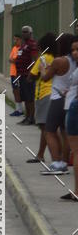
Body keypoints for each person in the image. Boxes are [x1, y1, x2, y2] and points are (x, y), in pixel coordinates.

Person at [42, 33, 76, 173]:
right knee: (64, 132)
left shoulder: (58, 61)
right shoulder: (73, 61)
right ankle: (64, 161)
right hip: (70, 99)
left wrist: (42, 68)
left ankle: (56, 162)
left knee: (49, 131)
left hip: (57, 98)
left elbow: (45, 78)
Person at [26, 33, 55, 165]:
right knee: (51, 128)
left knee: (46, 129)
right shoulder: (56, 58)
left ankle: (54, 158)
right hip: (55, 94)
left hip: (43, 94)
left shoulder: (42, 58)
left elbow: (31, 76)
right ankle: (41, 154)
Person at [63, 40, 78, 201]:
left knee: (76, 152)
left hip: (75, 108)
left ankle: (77, 191)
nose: (75, 53)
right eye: (73, 49)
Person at [15, 25, 39, 124]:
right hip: (21, 75)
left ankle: (31, 118)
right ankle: (27, 116)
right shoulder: (23, 45)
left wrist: (31, 74)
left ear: (30, 33)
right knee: (24, 97)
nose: (24, 33)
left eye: (26, 32)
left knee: (29, 98)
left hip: (27, 76)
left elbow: (34, 61)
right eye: (23, 32)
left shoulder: (32, 44)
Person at [9, 33, 23, 116]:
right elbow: (10, 59)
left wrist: (14, 60)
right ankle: (17, 108)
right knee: (14, 90)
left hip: (18, 73)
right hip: (12, 72)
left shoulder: (21, 49)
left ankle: (20, 110)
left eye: (17, 39)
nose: (15, 41)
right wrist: (14, 60)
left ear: (20, 40)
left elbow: (17, 60)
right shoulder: (14, 48)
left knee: (18, 91)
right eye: (14, 39)